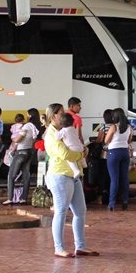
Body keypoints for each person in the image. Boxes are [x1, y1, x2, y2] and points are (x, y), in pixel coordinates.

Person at [43, 103, 98, 258]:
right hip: (60, 175)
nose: (65, 115)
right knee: (61, 211)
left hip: (73, 176)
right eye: (61, 113)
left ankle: (80, 246)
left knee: (80, 211)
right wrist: (81, 155)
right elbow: (65, 154)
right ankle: (58, 247)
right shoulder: (51, 134)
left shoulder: (63, 131)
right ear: (54, 116)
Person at [5, 111, 38, 204]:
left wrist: (13, 138)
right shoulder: (34, 127)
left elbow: (18, 139)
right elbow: (34, 140)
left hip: (21, 152)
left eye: (28, 114)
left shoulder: (27, 126)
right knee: (26, 176)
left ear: (30, 116)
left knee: (11, 175)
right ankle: (24, 198)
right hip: (29, 151)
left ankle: (10, 198)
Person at [104, 107, 133, 210]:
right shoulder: (129, 127)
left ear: (114, 116)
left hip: (113, 153)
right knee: (124, 178)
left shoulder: (114, 127)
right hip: (125, 152)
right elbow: (129, 140)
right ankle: (125, 201)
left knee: (114, 179)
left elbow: (106, 140)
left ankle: (112, 204)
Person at [53, 113, 86, 177]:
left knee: (70, 159)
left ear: (61, 124)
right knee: (80, 156)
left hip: (72, 148)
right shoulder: (73, 128)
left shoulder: (63, 131)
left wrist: (57, 130)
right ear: (73, 122)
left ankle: (75, 170)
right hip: (80, 146)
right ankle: (84, 163)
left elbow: (57, 137)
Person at [26, 107, 44, 187]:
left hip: (32, 145)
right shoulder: (41, 124)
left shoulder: (29, 125)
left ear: (30, 115)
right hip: (40, 146)